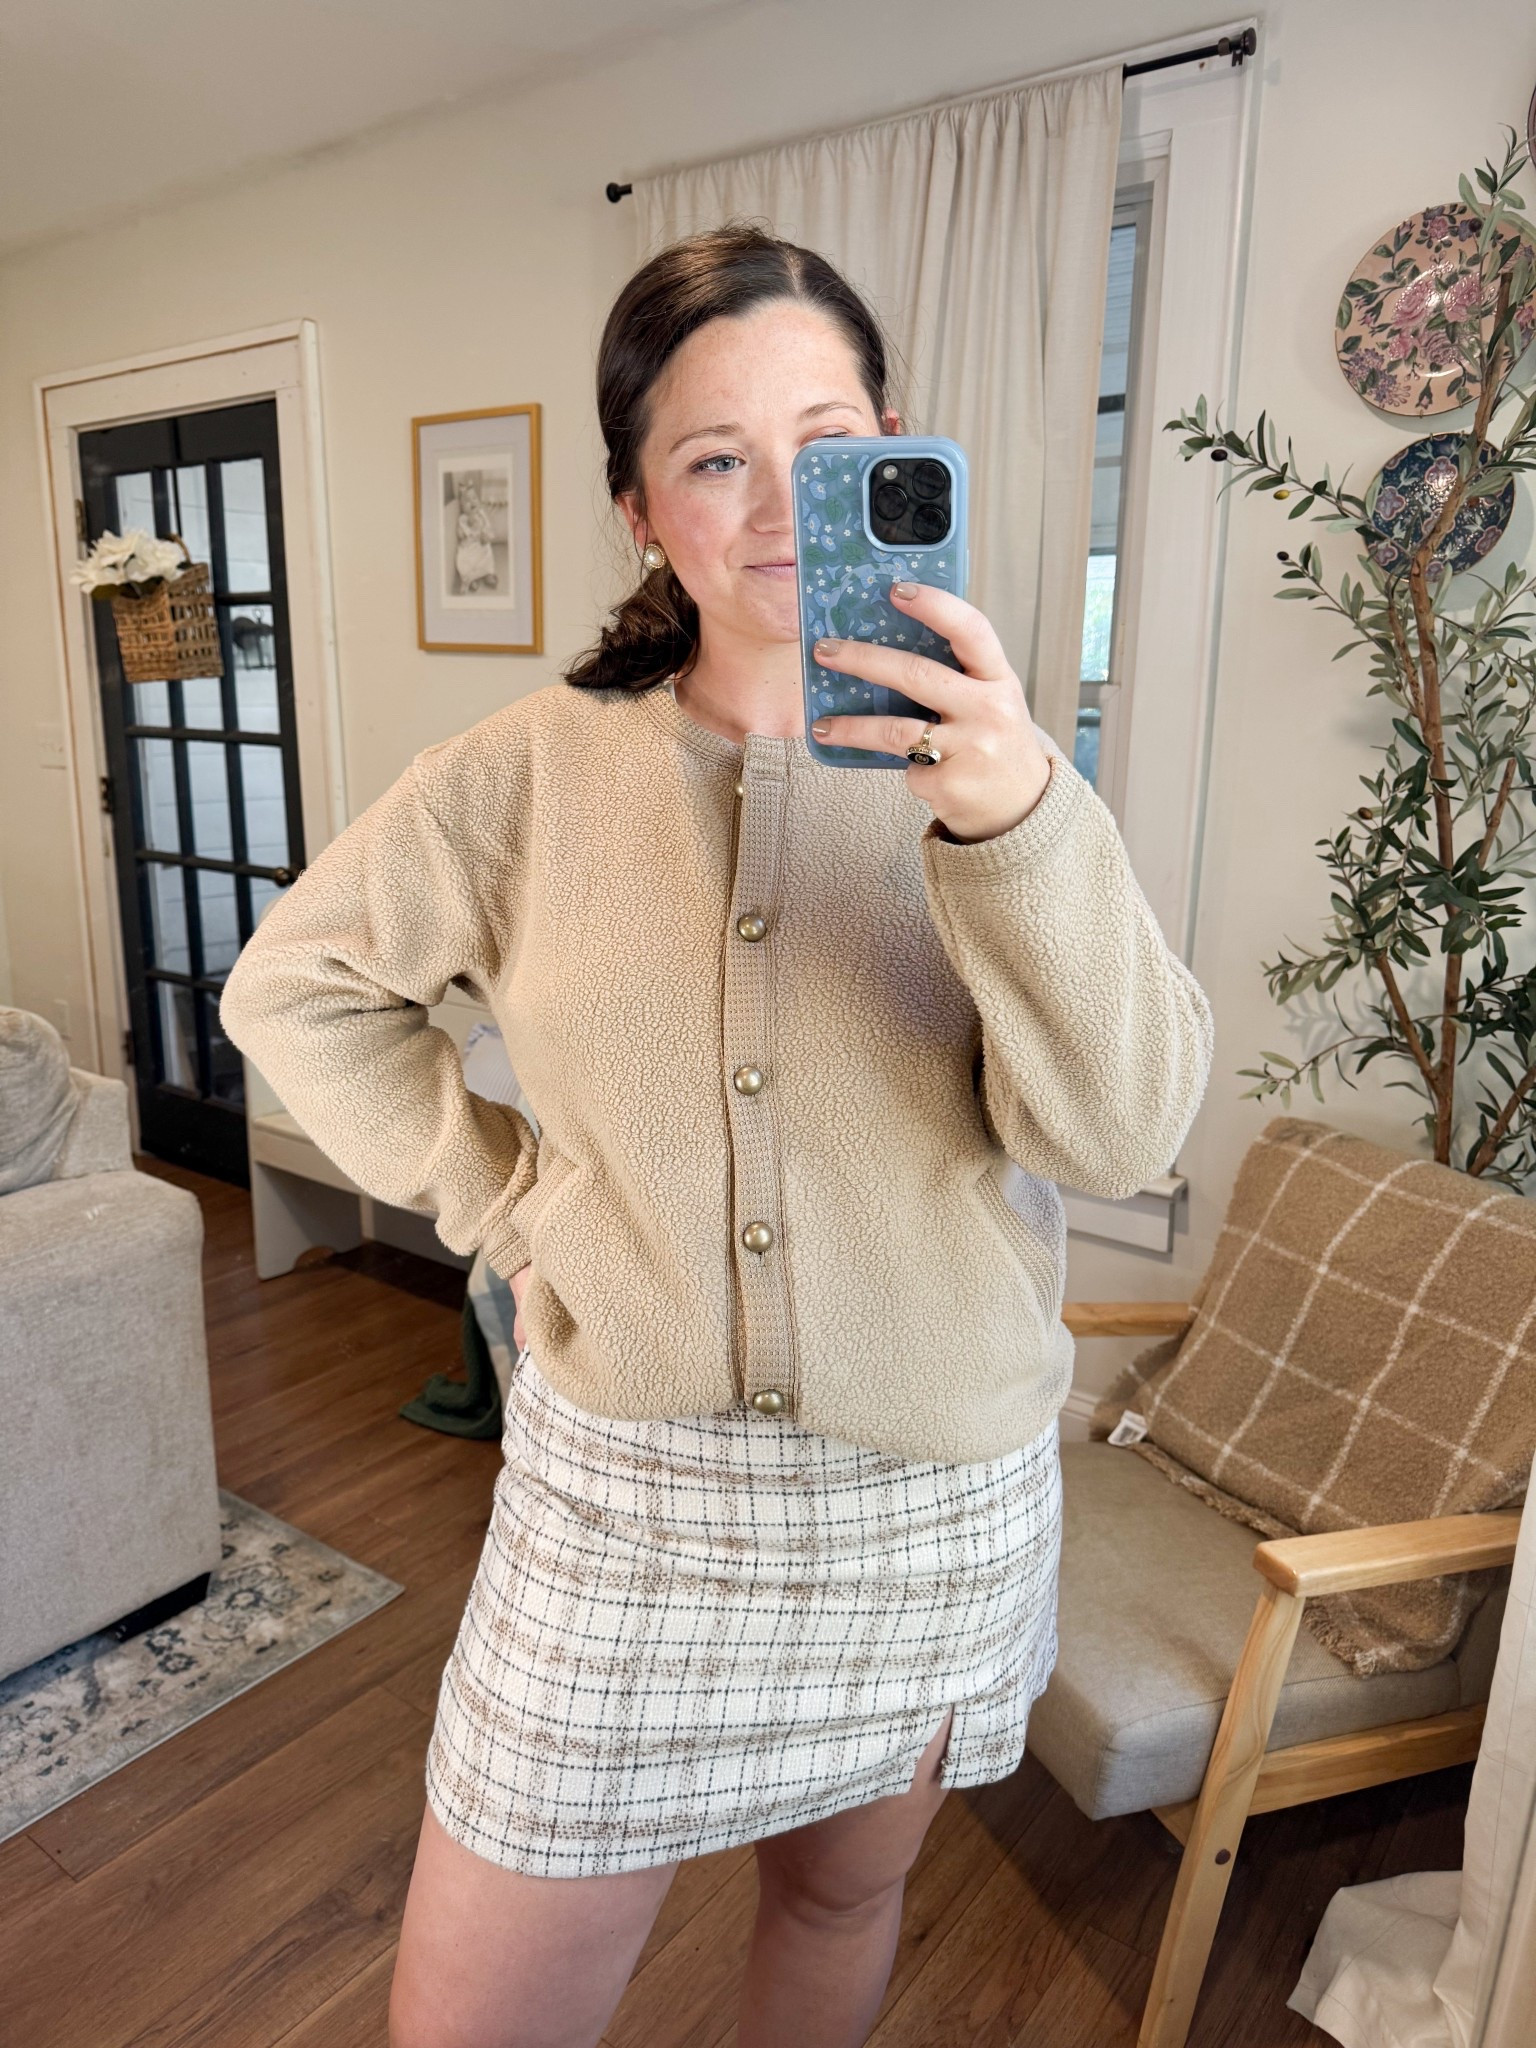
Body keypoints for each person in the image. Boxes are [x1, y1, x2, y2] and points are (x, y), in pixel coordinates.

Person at [218, 222, 1214, 2048]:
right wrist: (505, 1197)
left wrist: (1010, 823)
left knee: (838, 1896)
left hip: (929, 1502)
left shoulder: (1001, 774)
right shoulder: (522, 776)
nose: (775, 508)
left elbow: (1124, 1125)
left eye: (822, 444)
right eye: (712, 459)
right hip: (623, 1502)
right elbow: (297, 989)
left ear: (891, 449)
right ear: (639, 509)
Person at [453, 477, 497, 592]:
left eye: (474, 498)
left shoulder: (481, 515)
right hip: (469, 548)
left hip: (480, 545)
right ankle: (471, 579)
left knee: (487, 554)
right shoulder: (463, 518)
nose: (472, 502)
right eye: (467, 501)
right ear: (462, 507)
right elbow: (460, 532)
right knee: (464, 560)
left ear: (478, 501)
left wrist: (487, 536)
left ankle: (488, 574)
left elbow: (487, 527)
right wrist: (461, 533)